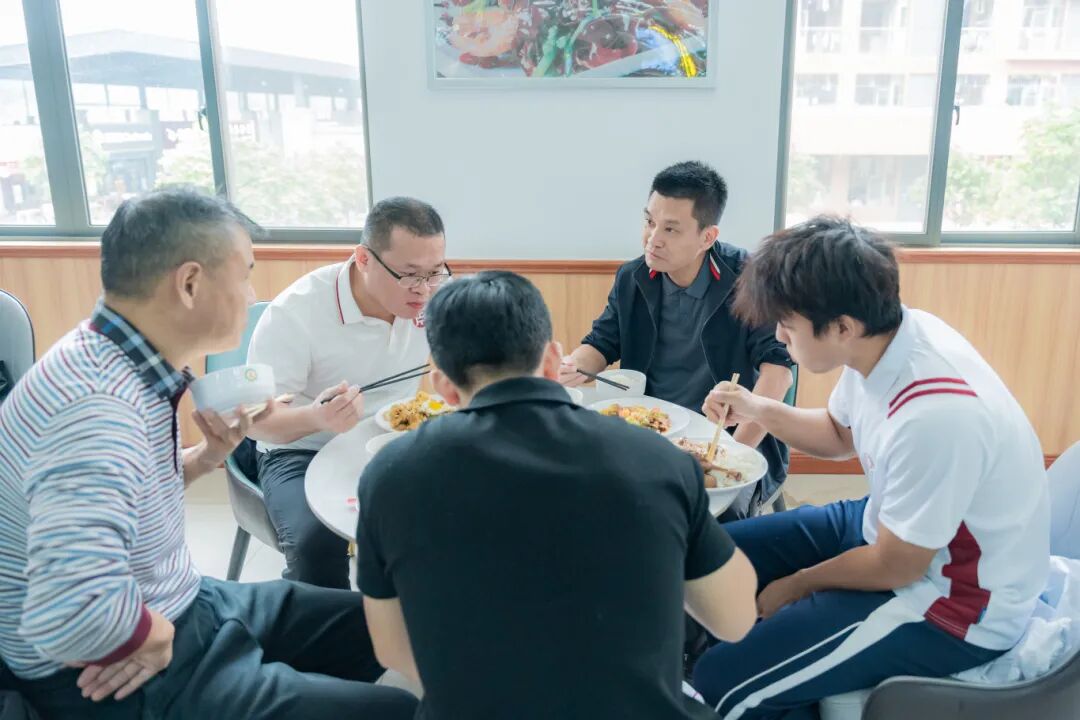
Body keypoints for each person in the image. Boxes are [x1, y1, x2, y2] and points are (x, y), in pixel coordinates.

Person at [0, 189, 417, 720]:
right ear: (190, 283)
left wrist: (203, 457)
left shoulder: (118, 360)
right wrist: (151, 632)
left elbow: (118, 502)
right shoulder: (96, 406)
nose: (252, 293)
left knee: (390, 623)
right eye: (244, 275)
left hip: (186, 599)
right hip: (123, 664)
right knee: (396, 710)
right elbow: (65, 604)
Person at [355, 271, 758, 719]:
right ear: (552, 361)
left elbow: (393, 650)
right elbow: (736, 619)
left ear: (443, 386)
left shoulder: (390, 475)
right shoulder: (658, 460)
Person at [690, 216, 1049, 719]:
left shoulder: (936, 416)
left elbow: (897, 565)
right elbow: (839, 435)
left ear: (843, 327)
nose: (779, 335)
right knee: (703, 556)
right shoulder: (890, 341)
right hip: (889, 529)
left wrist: (797, 585)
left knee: (723, 684)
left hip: (950, 599)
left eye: (788, 324)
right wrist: (756, 408)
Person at [558, 161, 794, 520]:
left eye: (670, 229)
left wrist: (732, 456)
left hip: (724, 435)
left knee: (714, 515)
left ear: (707, 237)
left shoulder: (748, 279)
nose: (653, 239)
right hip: (651, 429)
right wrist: (573, 366)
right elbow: (602, 342)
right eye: (649, 222)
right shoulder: (633, 277)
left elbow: (778, 374)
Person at [246, 197, 449, 589]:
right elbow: (255, 421)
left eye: (434, 273)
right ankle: (322, 625)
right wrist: (316, 417)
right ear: (364, 259)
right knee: (314, 544)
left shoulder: (438, 295)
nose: (424, 290)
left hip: (396, 440)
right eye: (409, 275)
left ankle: (421, 620)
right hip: (302, 450)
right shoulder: (295, 312)